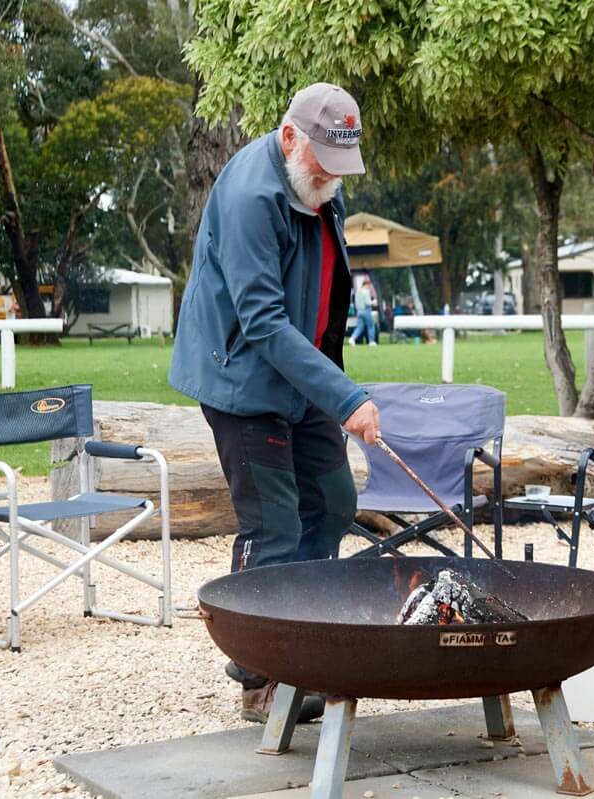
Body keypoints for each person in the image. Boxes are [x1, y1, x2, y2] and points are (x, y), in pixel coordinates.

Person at [169, 83, 380, 724]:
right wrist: (346, 397)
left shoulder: (316, 182)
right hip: (242, 379)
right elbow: (261, 321)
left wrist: (330, 383)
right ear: (290, 138)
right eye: (324, 163)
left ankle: (302, 642)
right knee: (273, 527)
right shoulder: (250, 197)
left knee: (334, 501)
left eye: (342, 166)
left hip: (301, 374)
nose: (333, 178)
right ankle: (259, 672)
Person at [350, 277, 377, 346]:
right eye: (369, 285)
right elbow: (367, 303)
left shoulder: (358, 292)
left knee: (360, 327)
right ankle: (371, 341)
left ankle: (352, 338)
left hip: (359, 311)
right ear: (367, 284)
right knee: (371, 326)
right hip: (366, 311)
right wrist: (373, 302)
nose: (369, 287)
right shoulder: (366, 292)